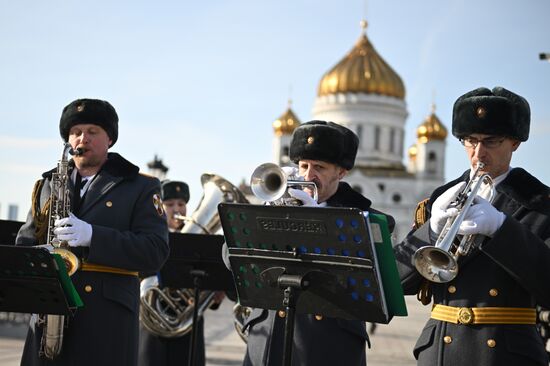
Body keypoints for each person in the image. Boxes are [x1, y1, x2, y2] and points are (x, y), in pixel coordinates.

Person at [394, 86, 550, 365]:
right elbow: (396, 281)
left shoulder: (541, 202)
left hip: (505, 354)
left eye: (491, 141)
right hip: (439, 351)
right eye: (469, 141)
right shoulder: (441, 198)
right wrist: (429, 230)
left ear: (514, 142)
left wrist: (502, 230)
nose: (478, 153)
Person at [16, 98, 170, 366]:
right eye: (75, 132)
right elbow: (26, 242)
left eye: (92, 132)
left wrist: (93, 236)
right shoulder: (48, 184)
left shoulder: (140, 186)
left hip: (106, 319)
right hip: (49, 316)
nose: (82, 139)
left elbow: (155, 251)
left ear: (109, 138)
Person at [241, 120, 396, 366]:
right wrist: (266, 216)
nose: (307, 176)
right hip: (270, 339)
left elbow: (376, 283)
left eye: (319, 167)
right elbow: (231, 257)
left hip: (328, 345)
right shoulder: (275, 207)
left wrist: (318, 220)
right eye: (303, 165)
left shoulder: (370, 220)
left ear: (341, 172)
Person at [138, 180, 207, 366]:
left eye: (182, 204)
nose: (177, 209)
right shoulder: (147, 238)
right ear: (159, 207)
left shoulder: (198, 242)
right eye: (169, 204)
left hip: (188, 327)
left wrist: (213, 292)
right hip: (152, 326)